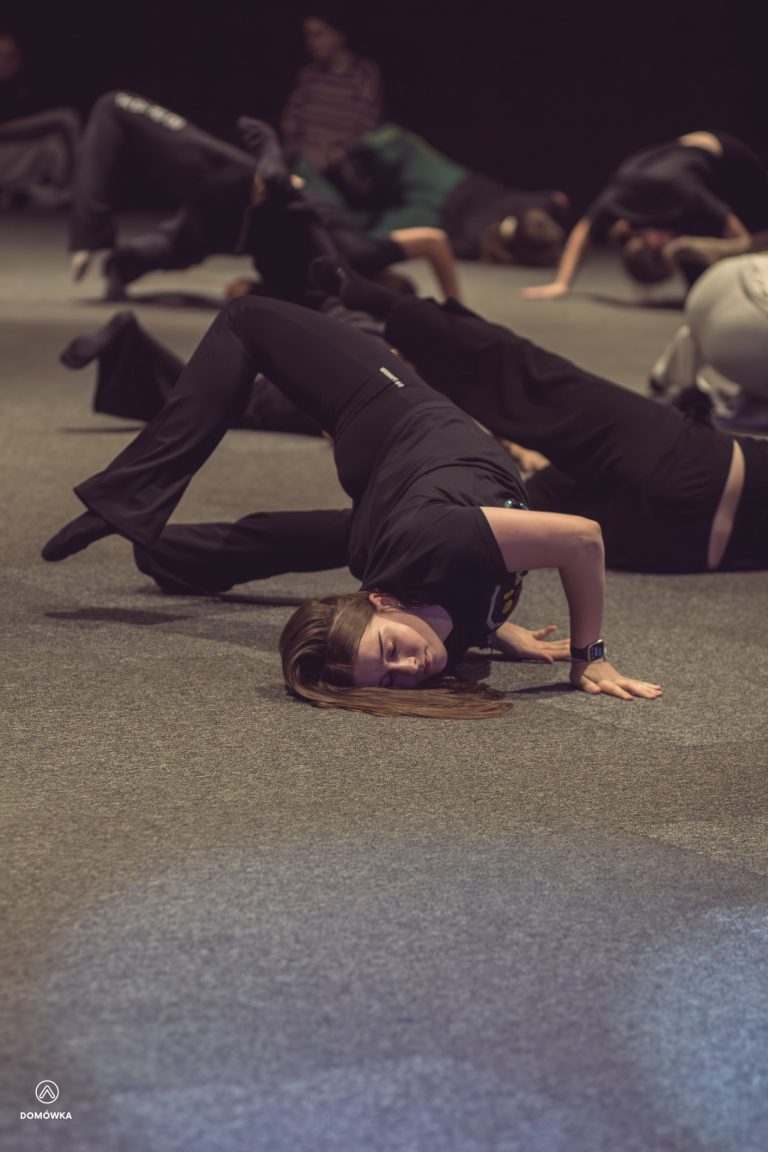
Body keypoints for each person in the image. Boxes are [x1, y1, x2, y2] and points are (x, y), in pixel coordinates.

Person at [41, 292, 662, 717]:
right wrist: (494, 631)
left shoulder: (434, 543)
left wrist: (589, 658)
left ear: (383, 600)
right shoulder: (436, 638)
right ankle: (165, 554)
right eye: (391, 680)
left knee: (245, 319)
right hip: (386, 506)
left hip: (390, 416)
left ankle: (126, 502)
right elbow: (456, 588)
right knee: (340, 534)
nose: (410, 669)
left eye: (390, 654)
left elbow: (583, 538)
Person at [69, 91, 460, 302]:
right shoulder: (335, 279)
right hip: (238, 227)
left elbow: (434, 241)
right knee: (165, 250)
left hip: (241, 192)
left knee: (113, 105)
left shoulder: (356, 258)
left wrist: (454, 303)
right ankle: (116, 266)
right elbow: (238, 291)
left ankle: (92, 239)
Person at [522, 131, 768, 299]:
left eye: (668, 261)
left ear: (656, 244)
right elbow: (583, 231)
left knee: (756, 238)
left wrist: (753, 276)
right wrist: (562, 283)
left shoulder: (679, 193)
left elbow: (739, 236)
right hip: (678, 156)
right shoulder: (620, 206)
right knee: (694, 256)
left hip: (726, 156)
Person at [297, 122, 570, 266]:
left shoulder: (531, 205)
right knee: (365, 226)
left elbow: (558, 198)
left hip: (449, 192)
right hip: (447, 199)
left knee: (365, 227)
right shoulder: (480, 241)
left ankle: (304, 171)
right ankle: (311, 171)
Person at [650, 253, 768, 433]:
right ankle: (672, 382)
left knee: (692, 333)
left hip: (726, 276)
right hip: (746, 332)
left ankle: (668, 379)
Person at [280, 7, 384, 176]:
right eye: (308, 36)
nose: (311, 42)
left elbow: (367, 130)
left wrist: (334, 157)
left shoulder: (364, 75)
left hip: (340, 169)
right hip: (302, 165)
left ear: (339, 35)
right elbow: (290, 123)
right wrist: (293, 154)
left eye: (318, 34)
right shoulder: (308, 75)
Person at [0, 29, 81, 210]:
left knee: (56, 136)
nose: (3, 63)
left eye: (9, 57)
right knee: (64, 120)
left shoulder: (23, 90)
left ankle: (67, 194)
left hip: (11, 154)